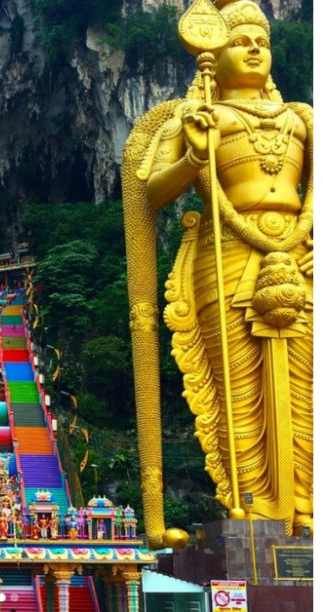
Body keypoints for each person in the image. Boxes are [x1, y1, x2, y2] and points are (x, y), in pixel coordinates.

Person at [124, 0, 313, 539]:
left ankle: (304, 507)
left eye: (263, 40)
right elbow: (148, 193)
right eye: (240, 40)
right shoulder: (200, 115)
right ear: (214, 53)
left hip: (297, 255)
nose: (255, 48)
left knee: (304, 385)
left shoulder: (302, 117)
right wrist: (192, 157)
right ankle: (251, 506)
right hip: (226, 253)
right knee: (239, 388)